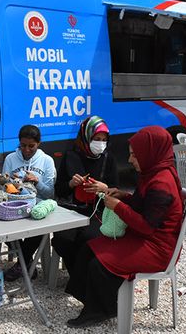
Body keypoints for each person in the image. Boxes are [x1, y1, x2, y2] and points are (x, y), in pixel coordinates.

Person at [64, 126, 183, 328]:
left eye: (135, 156)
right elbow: (143, 204)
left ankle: (101, 311)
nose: (130, 161)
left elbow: (147, 226)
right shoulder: (153, 172)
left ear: (150, 153)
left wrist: (118, 207)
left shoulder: (161, 183)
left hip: (158, 247)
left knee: (99, 263)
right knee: (89, 247)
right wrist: (123, 196)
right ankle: (96, 303)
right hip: (145, 237)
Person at [52, 116, 119, 273]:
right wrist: (71, 183)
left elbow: (117, 192)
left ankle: (79, 277)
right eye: (97, 138)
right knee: (62, 239)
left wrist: (104, 187)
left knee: (89, 238)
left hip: (99, 212)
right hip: (72, 210)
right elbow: (59, 190)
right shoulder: (71, 156)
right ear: (86, 136)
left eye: (104, 139)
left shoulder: (109, 159)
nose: (101, 143)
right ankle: (78, 275)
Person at [2, 125, 56, 281]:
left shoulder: (47, 161)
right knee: (4, 222)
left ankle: (21, 263)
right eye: (23, 145)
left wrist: (37, 181)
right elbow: (4, 187)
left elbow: (50, 194)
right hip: (16, 203)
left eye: (31, 146)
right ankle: (26, 263)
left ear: (38, 143)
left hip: (38, 204)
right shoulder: (10, 159)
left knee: (39, 221)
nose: (26, 150)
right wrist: (10, 184)